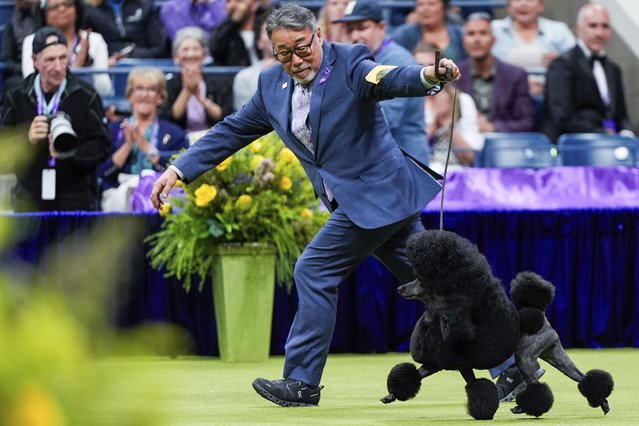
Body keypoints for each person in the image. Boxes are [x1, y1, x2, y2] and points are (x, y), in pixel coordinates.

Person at [150, 4, 460, 406]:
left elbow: (389, 79)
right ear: (272, 51)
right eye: (283, 53)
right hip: (370, 201)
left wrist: (429, 76)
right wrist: (178, 170)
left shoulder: (349, 61)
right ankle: (513, 364)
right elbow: (230, 131)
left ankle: (301, 382)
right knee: (438, 285)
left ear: (318, 35)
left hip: (376, 194)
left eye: (302, 48)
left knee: (314, 269)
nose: (295, 60)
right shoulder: (270, 86)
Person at [0, 26, 111, 212]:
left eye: (63, 58)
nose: (59, 67)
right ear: (35, 61)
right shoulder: (16, 95)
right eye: (50, 60)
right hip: (28, 197)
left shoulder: (86, 95)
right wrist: (26, 140)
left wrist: (69, 152)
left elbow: (103, 146)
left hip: (76, 197)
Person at [336, 0, 429, 164]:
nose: (355, 36)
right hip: (383, 161)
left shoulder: (396, 59)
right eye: (350, 30)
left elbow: (386, 118)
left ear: (381, 28)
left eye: (362, 27)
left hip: (408, 163)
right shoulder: (361, 60)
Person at [540, 2, 634, 142]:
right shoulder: (562, 65)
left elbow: (621, 114)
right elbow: (563, 116)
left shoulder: (614, 69)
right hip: (573, 145)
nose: (599, 33)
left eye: (605, 26)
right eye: (593, 25)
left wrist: (627, 133)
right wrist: (602, 133)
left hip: (610, 144)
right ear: (578, 29)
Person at [100, 67, 188, 210]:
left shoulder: (174, 133)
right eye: (139, 89)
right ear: (130, 95)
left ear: (160, 97)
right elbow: (103, 172)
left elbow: (181, 171)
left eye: (152, 89)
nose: (145, 95)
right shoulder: (113, 129)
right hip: (120, 194)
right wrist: (127, 145)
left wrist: (146, 147)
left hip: (161, 194)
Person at [457, 12, 535, 133]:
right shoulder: (453, 74)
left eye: (483, 33)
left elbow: (526, 122)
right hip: (463, 142)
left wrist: (492, 128)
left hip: (504, 143)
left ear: (493, 40)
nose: (476, 40)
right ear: (463, 41)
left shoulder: (516, 75)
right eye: (471, 34)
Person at [413, 42, 483, 172]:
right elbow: (411, 153)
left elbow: (470, 157)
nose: (426, 72)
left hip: (458, 174)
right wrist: (435, 122)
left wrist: (447, 125)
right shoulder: (408, 102)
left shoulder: (463, 101)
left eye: (430, 66)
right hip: (420, 172)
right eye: (419, 67)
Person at [21, 0, 112, 98]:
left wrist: (89, 62)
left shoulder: (95, 40)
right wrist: (78, 65)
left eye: (68, 4)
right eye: (54, 7)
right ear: (44, 14)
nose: (62, 9)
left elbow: (104, 89)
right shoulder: (31, 42)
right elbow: (31, 84)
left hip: (87, 102)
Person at [492, 0, 575, 96]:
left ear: (541, 5)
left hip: (553, 93)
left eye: (530, 0)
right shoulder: (493, 30)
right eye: (517, 0)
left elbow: (578, 62)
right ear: (509, 6)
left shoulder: (559, 30)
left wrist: (561, 60)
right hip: (504, 93)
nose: (523, 4)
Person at [159, 27, 234, 133]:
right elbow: (171, 117)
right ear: (176, 57)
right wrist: (187, 90)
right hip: (180, 139)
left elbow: (223, 116)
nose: (191, 54)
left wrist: (200, 98)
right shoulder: (168, 84)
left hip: (213, 137)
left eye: (195, 49)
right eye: (185, 49)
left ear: (203, 56)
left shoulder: (220, 82)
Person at [84, 0, 167, 66]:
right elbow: (88, 46)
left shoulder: (145, 6)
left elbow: (158, 48)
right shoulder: (90, 11)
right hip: (106, 67)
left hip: (144, 65)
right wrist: (103, 63)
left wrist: (132, 55)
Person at [391, 0, 467, 62]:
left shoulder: (459, 34)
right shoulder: (403, 35)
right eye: (420, 4)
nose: (425, 9)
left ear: (444, 8)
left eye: (431, 4)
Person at [0, 0, 39, 104]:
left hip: (51, 69)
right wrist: (26, 70)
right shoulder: (13, 22)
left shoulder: (50, 16)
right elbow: (6, 58)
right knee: (15, 87)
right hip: (20, 73)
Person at [232, 18, 276, 110]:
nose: (275, 36)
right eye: (269, 31)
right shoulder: (244, 77)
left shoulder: (298, 70)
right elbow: (246, 120)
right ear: (259, 42)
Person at [208, 0, 268, 66]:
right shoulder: (224, 30)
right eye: (228, 1)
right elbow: (215, 50)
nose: (232, 5)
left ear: (254, 5)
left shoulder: (265, 25)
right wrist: (234, 22)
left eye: (239, 1)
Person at [160, 0, 227, 42]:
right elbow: (182, 40)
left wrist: (213, 3)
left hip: (220, 56)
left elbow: (226, 34)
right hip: (189, 57)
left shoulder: (225, 3)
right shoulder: (170, 7)